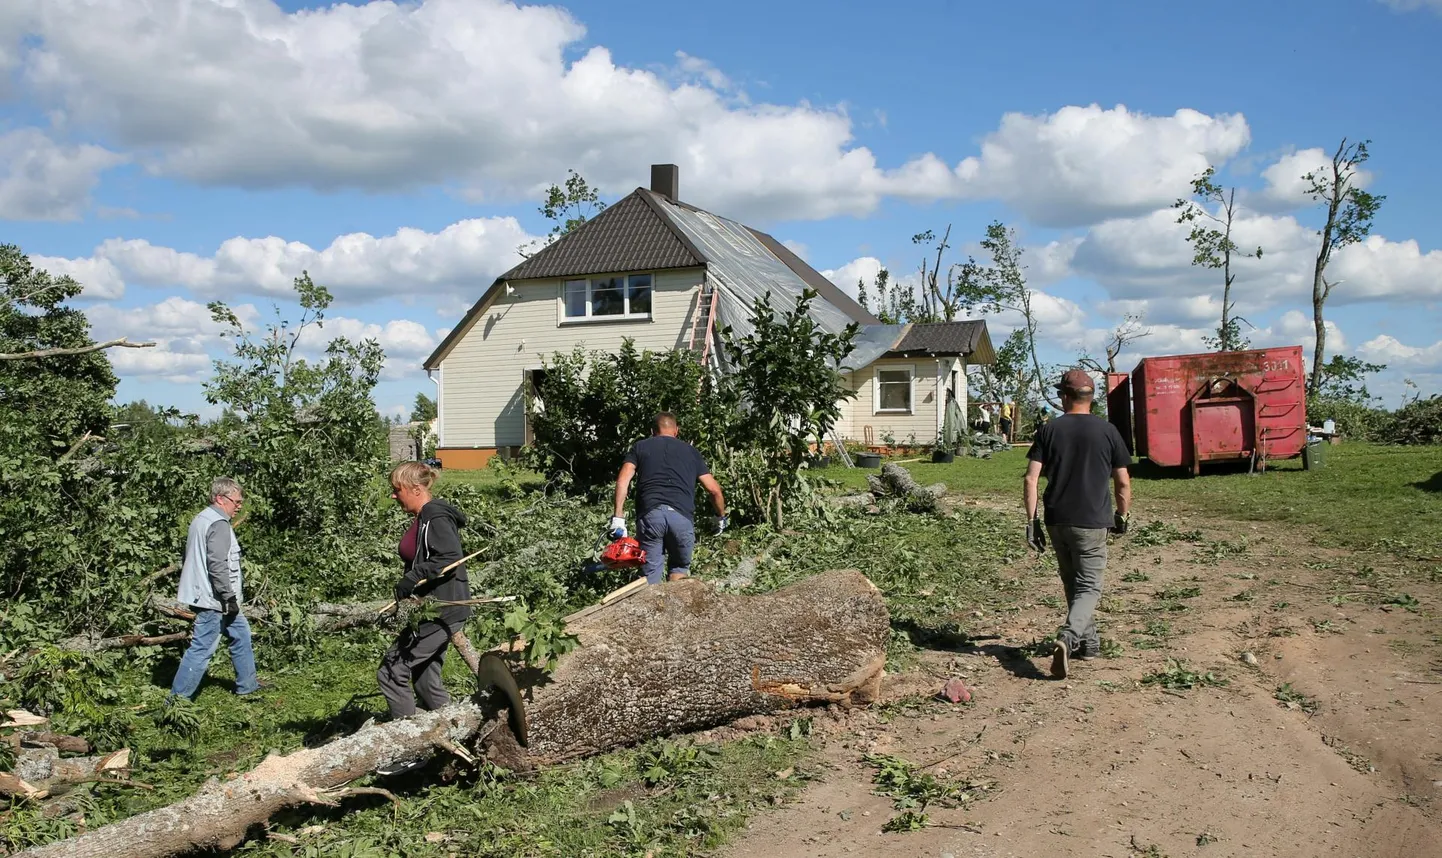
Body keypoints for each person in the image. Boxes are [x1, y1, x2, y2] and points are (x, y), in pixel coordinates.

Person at [1023, 369, 1132, 680]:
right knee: (1089, 586)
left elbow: (1031, 479)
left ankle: (1090, 643)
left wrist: (1031, 522)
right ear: (1091, 397)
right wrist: (1122, 515)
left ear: (1063, 397)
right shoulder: (1109, 431)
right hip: (1092, 521)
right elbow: (1123, 483)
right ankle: (1069, 637)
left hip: (1057, 518)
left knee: (1074, 584)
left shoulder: (1049, 430)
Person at [378, 462, 472, 720]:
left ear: (416, 488)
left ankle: (410, 744)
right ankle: (455, 731)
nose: (393, 495)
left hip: (442, 608)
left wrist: (414, 576)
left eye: (397, 489)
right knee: (425, 681)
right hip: (430, 608)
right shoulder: (424, 517)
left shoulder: (435, 515)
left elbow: (450, 557)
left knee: (391, 670)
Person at [168, 477, 263, 701]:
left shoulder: (202, 519)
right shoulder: (218, 524)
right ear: (220, 498)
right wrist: (228, 597)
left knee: (241, 634)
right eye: (236, 502)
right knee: (202, 649)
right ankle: (177, 702)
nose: (239, 507)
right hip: (215, 599)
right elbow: (217, 564)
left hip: (212, 596)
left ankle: (247, 686)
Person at [611, 413, 727, 585]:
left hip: (651, 516)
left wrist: (618, 518)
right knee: (679, 570)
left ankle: (651, 608)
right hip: (681, 517)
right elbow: (714, 490)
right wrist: (721, 517)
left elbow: (622, 481)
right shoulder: (691, 451)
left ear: (652, 431)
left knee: (650, 576)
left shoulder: (640, 447)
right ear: (676, 431)